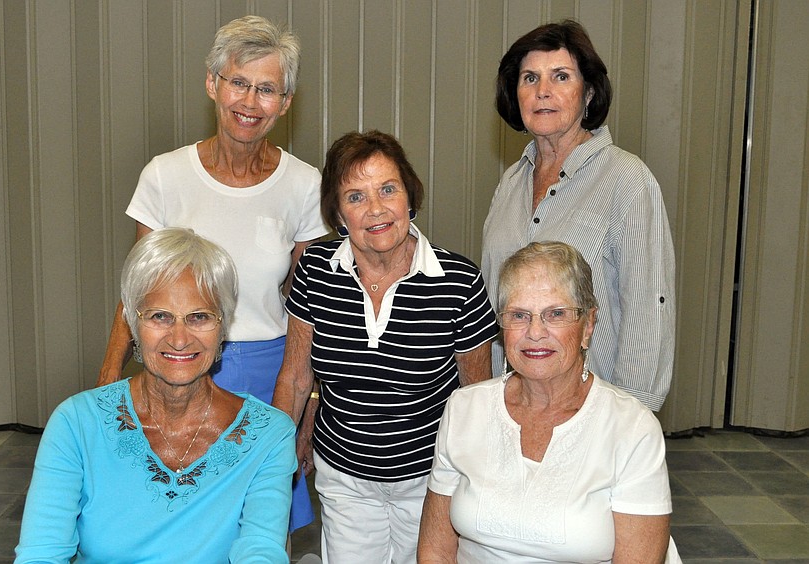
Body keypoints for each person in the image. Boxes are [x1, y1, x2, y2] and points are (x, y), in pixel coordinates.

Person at [96, 15, 327, 531]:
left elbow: (307, 308)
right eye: (238, 83)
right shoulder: (164, 176)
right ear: (212, 84)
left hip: (272, 378)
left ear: (286, 102)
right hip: (175, 369)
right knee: (180, 521)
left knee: (262, 526)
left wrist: (307, 410)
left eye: (267, 89)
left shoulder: (304, 185)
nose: (249, 102)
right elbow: (136, 299)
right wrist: (109, 384)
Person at [272, 130, 498, 564]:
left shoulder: (458, 281)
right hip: (344, 478)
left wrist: (474, 481)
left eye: (387, 190)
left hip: (431, 481)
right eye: (355, 197)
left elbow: (477, 397)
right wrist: (277, 457)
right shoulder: (316, 271)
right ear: (337, 213)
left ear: (409, 197)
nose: (375, 209)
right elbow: (297, 376)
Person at [16, 228, 297, 563]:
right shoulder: (76, 424)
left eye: (199, 317)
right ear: (133, 325)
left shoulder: (269, 434)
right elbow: (41, 553)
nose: (179, 339)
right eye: (160, 316)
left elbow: (261, 548)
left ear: (223, 326)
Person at [418, 241, 681, 563]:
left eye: (555, 314)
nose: (535, 332)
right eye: (519, 315)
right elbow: (435, 550)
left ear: (588, 325)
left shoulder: (631, 428)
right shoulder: (464, 409)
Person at [481, 19, 675, 411]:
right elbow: (492, 297)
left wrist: (633, 414)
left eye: (561, 76)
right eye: (529, 78)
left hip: (592, 410)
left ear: (588, 93)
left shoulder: (627, 179)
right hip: (515, 404)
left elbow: (647, 306)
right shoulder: (510, 183)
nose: (543, 92)